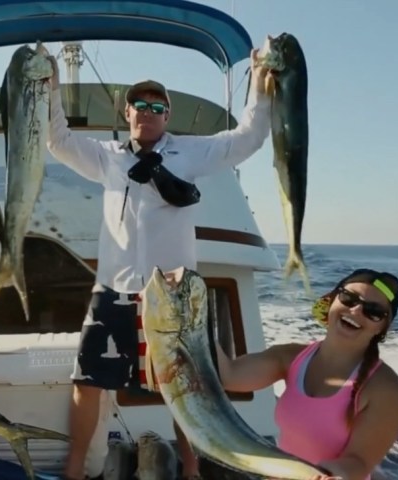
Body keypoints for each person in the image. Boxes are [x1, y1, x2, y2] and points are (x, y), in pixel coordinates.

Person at [45, 48, 273, 480]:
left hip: (174, 298)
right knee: (87, 383)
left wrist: (260, 84)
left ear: (167, 116)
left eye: (157, 107)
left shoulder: (191, 153)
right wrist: (52, 90)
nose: (147, 113)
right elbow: (58, 140)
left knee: (183, 389)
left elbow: (249, 138)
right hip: (113, 289)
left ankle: (191, 470)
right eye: (140, 105)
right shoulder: (107, 155)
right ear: (126, 111)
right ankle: (73, 469)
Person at [212, 268, 398, 480]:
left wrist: (333, 473)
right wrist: (187, 322)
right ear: (331, 300)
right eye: (348, 298)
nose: (356, 310)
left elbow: (359, 462)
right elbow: (229, 376)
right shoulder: (289, 357)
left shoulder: (387, 389)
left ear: (382, 327)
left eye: (374, 311)